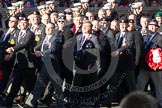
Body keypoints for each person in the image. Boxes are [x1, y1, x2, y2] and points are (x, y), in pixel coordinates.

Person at [0, 17, 37, 107]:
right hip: (18, 63)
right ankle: (8, 102)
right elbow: (11, 43)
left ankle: (33, 103)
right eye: (22, 23)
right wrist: (9, 53)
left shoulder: (30, 34)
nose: (23, 24)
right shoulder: (17, 33)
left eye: (25, 23)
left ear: (28, 24)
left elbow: (24, 44)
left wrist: (12, 49)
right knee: (15, 85)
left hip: (28, 64)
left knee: (30, 86)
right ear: (19, 24)